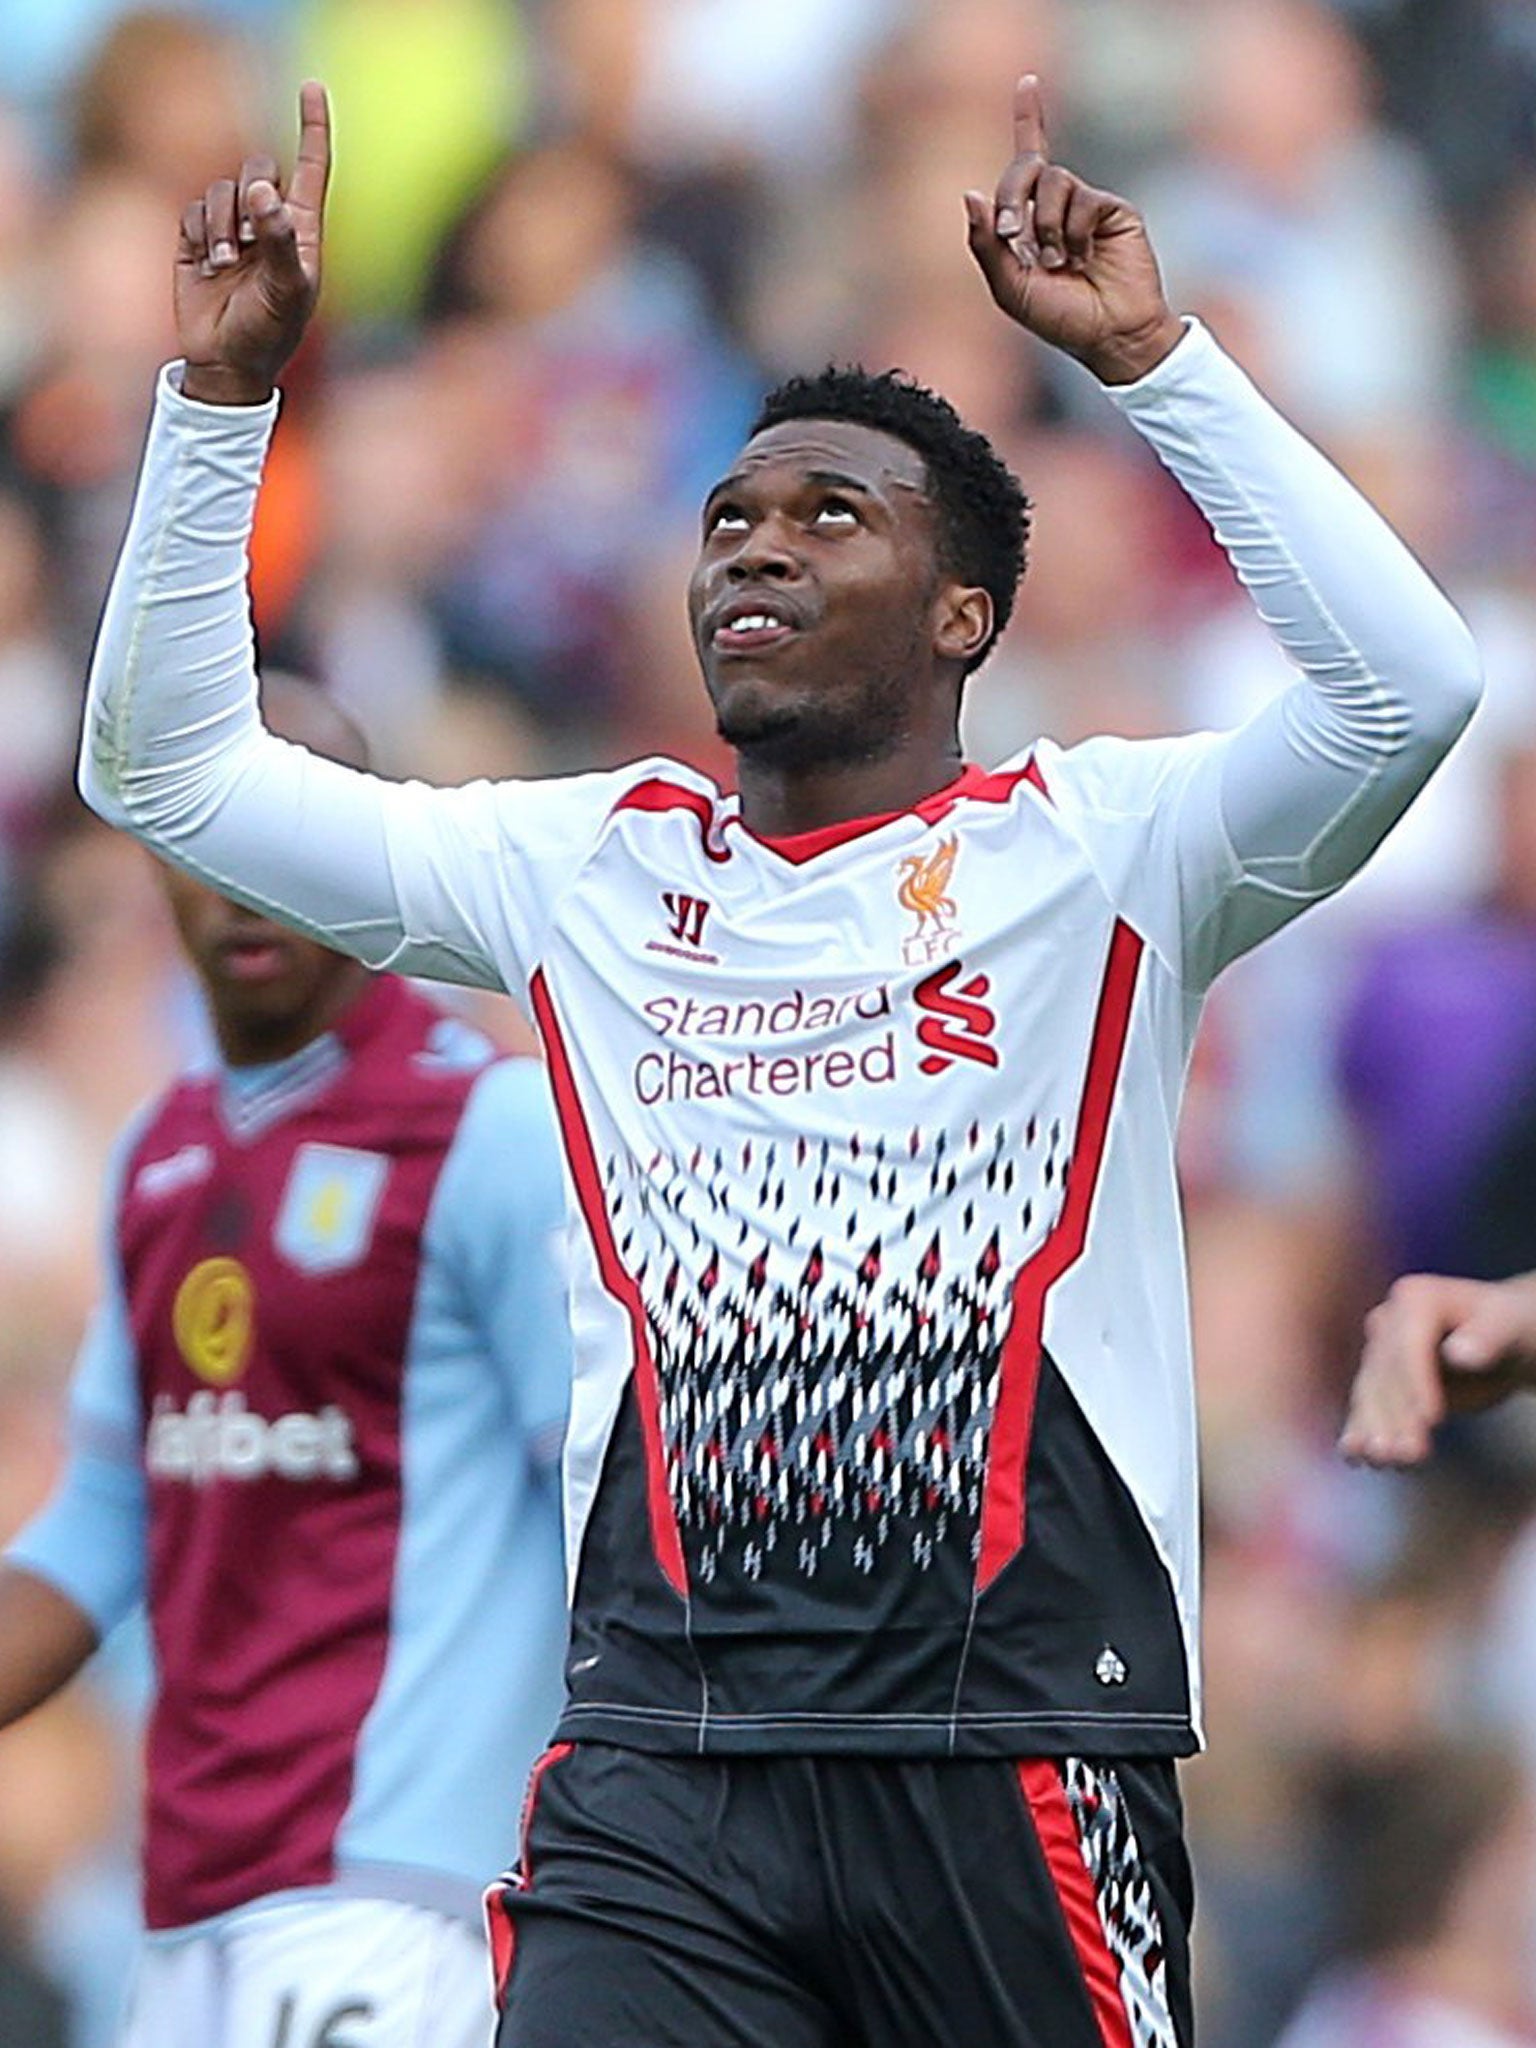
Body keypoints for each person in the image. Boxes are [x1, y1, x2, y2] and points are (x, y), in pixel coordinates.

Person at [78, 72, 1481, 2048]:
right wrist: (218, 404)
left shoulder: (1108, 852)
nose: (759, 545)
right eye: (732, 514)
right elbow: (166, 773)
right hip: (663, 1769)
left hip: (1003, 1749)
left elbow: (1412, 687)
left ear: (968, 613)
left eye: (836, 515)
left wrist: (1158, 364)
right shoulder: (579, 866)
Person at [4, 674, 571, 2048]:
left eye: (293, 844)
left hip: (404, 1892)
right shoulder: (163, 1155)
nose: (250, 891)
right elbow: (100, 1526)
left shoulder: (482, 1132)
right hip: (190, 1897)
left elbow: (614, 1497)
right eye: (214, 849)